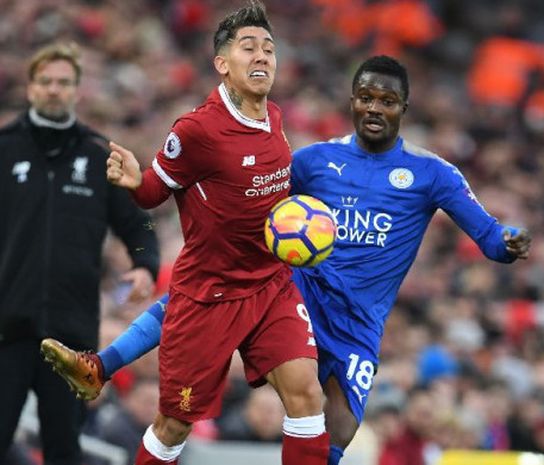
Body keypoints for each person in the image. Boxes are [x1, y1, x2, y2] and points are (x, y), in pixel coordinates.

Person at [43, 55, 531, 464]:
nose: (374, 108)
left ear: (404, 106)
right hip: (292, 289)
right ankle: (102, 364)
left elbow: (489, 237)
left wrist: (508, 242)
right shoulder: (313, 162)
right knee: (206, 292)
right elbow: (259, 202)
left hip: (357, 323)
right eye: (366, 98)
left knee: (335, 431)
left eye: (386, 101)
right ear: (353, 101)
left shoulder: (431, 173)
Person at [46, 3, 332, 465]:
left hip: (270, 284)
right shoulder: (197, 130)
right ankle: (101, 368)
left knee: (306, 398)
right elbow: (153, 191)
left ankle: (100, 364)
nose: (262, 57)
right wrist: (135, 181)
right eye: (249, 48)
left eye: (269, 49)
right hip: (209, 297)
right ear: (222, 63)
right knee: (174, 425)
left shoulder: (275, 118)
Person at [0, 42, 160, 465]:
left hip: (72, 334)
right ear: (31, 88)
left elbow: (138, 220)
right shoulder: (4, 148)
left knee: (64, 448)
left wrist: (145, 264)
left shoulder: (96, 155)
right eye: (46, 81)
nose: (54, 90)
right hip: (7, 326)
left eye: (64, 83)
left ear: (76, 90)